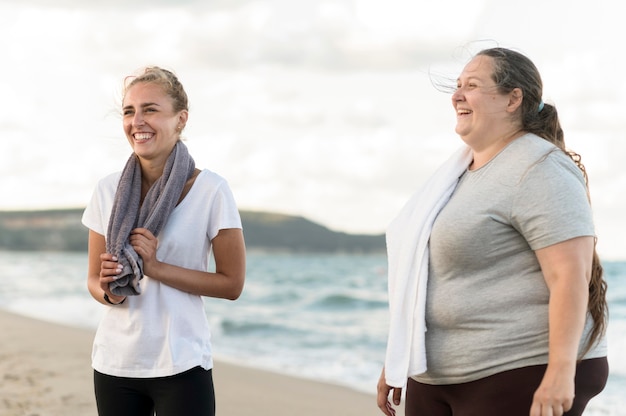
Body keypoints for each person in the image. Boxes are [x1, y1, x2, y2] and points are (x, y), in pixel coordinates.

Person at [376, 47, 608, 416]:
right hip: (438, 376)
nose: (456, 95)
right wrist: (398, 356)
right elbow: (431, 277)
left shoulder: (539, 166)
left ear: (513, 98)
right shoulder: (455, 177)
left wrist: (560, 373)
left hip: (517, 369)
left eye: (472, 85)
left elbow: (570, 274)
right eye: (457, 86)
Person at [82, 66, 246, 416]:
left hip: (181, 362)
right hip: (115, 364)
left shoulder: (211, 191)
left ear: (180, 119)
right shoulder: (107, 190)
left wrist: (155, 268)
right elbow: (94, 282)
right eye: (129, 111)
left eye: (150, 109)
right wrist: (109, 290)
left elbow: (232, 284)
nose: (136, 121)